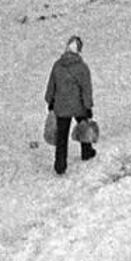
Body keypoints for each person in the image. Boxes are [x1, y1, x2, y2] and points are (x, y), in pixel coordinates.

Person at [45, 34, 95, 178]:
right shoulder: (82, 68)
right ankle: (86, 151)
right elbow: (86, 89)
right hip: (78, 106)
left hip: (61, 107)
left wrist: (50, 102)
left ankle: (60, 165)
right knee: (84, 125)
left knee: (62, 136)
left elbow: (51, 86)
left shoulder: (57, 65)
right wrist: (88, 106)